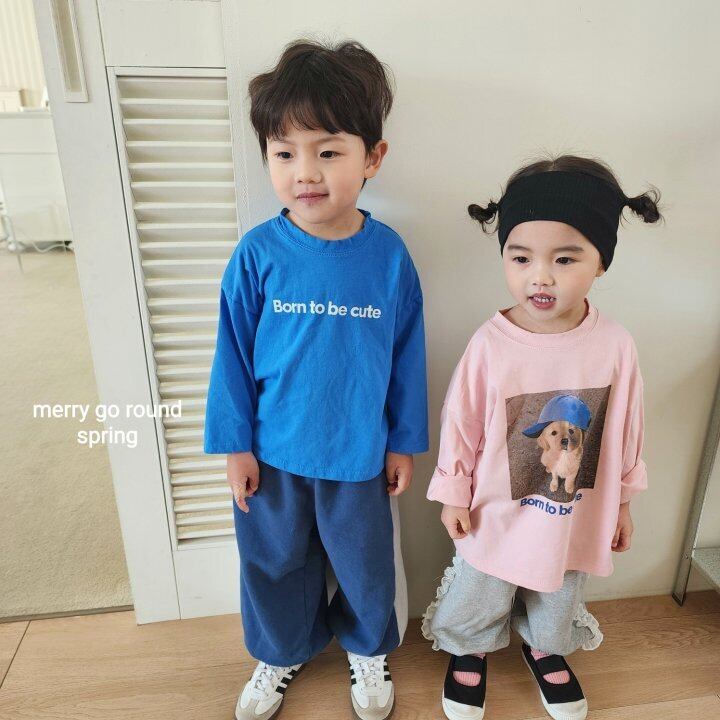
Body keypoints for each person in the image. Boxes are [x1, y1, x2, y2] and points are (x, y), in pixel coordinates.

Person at [204, 38, 429, 720]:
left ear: (372, 157)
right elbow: (231, 356)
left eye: (328, 151)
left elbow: (407, 354)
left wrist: (402, 441)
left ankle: (367, 648)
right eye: (284, 153)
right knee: (273, 562)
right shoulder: (257, 255)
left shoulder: (389, 257)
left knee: (365, 565)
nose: (305, 172)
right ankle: (281, 650)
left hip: (358, 455)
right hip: (273, 456)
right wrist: (235, 446)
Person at [422, 155, 660, 720]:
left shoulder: (615, 344)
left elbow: (627, 427)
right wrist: (454, 492)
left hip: (575, 508)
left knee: (561, 583)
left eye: (565, 259)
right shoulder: (491, 343)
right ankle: (470, 647)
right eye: (521, 257)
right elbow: (461, 422)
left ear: (601, 262)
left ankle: (546, 646)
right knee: (482, 582)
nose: (541, 277)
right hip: (496, 506)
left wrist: (623, 503)